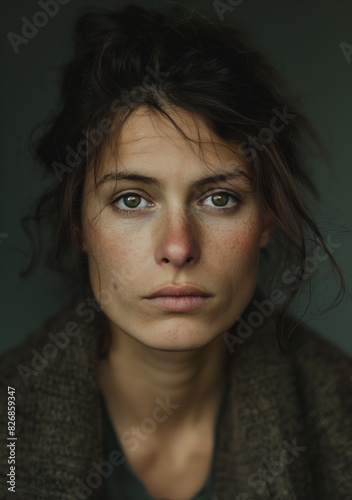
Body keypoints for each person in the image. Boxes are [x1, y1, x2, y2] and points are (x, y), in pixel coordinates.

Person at [0, 4, 351, 500]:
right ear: (78, 224)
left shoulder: (340, 408)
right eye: (131, 200)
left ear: (267, 219)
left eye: (219, 199)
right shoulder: (8, 416)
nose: (178, 247)